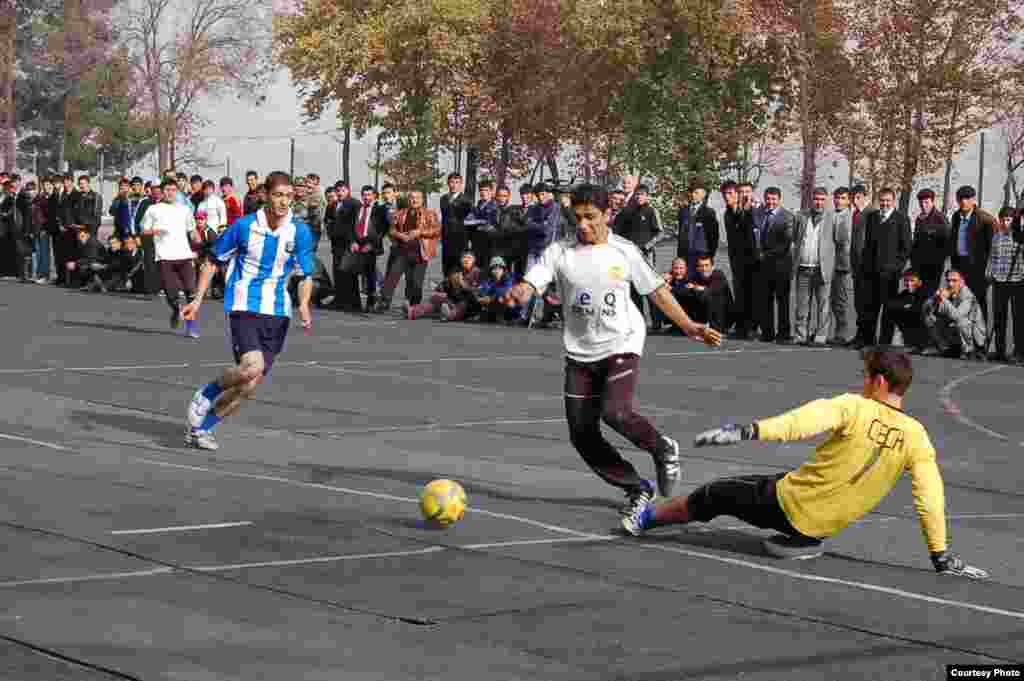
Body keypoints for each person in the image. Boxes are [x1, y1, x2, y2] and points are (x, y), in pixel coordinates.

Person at [621, 347, 988, 580]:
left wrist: (747, 430)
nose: (862, 382)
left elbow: (800, 423)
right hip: (826, 524)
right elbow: (929, 499)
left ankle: (644, 518)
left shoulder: (853, 406)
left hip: (789, 503)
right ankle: (800, 543)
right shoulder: (917, 436)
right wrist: (940, 555)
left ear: (878, 381)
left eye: (865, 376)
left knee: (712, 495)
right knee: (791, 493)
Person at [505, 184, 722, 523]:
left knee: (615, 411)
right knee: (581, 434)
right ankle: (636, 487)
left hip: (622, 343)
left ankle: (661, 447)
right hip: (580, 351)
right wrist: (524, 289)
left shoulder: (624, 251)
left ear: (607, 215)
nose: (583, 225)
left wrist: (688, 325)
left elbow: (657, 292)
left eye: (591, 218)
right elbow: (535, 280)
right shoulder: (560, 252)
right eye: (577, 218)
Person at [181, 171, 315, 451]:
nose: (283, 202)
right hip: (244, 304)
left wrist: (303, 304)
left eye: (289, 196)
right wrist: (197, 299)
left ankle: (201, 430)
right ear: (265, 195)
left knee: (249, 385)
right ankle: (207, 393)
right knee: (250, 367)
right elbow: (212, 262)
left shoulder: (299, 231)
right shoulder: (243, 227)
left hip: (278, 312)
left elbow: (305, 275)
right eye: (278, 195)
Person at [141, 178, 201, 336]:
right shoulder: (153, 209)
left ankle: (191, 326)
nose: (170, 193)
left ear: (177, 192)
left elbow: (192, 230)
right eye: (167, 190)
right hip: (165, 257)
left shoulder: (185, 209)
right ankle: (175, 310)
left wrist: (197, 239)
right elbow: (143, 230)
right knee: (172, 293)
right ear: (162, 191)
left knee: (190, 291)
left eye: (173, 190)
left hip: (184, 256)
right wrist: (156, 231)